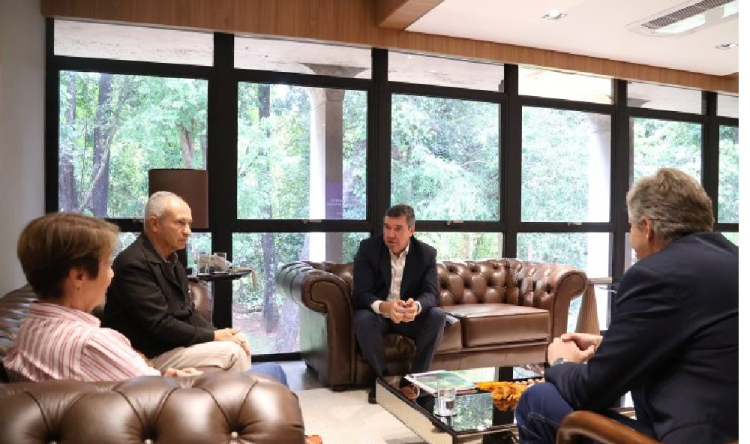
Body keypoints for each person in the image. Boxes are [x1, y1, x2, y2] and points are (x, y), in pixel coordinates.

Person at [514, 168, 738, 444]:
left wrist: (559, 361)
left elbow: (592, 391)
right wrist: (604, 344)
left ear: (647, 227)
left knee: (537, 400)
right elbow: (701, 342)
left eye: (631, 225)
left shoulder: (656, 274)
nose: (631, 241)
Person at [102, 191, 287, 384]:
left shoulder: (172, 260)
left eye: (189, 224)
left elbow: (189, 313)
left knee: (237, 341)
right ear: (155, 224)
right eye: (180, 223)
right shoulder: (133, 263)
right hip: (147, 355)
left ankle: (227, 404)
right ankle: (236, 407)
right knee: (232, 353)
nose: (188, 231)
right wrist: (214, 336)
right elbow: (159, 325)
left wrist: (222, 334)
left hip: (171, 347)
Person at [3, 212, 200, 382]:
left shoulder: (27, 329)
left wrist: (164, 378)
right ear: (79, 277)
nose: (112, 274)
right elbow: (156, 395)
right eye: (107, 265)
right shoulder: (91, 343)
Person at [352, 204, 446, 404]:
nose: (390, 234)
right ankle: (384, 381)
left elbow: (431, 293)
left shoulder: (426, 254)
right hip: (380, 316)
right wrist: (384, 306)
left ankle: (416, 381)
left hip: (408, 316)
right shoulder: (368, 249)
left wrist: (417, 306)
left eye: (398, 228)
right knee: (362, 318)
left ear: (412, 230)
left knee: (438, 316)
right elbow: (360, 294)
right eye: (387, 227)